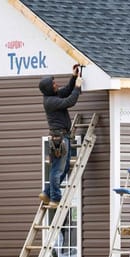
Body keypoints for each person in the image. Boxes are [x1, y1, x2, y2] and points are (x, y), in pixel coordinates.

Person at [38, 65, 83, 208]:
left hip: (62, 137)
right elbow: (70, 101)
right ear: (49, 88)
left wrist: (74, 77)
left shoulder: (53, 96)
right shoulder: (50, 101)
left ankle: (47, 193)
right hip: (59, 138)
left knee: (62, 169)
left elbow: (66, 91)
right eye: (53, 84)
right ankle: (55, 198)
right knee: (57, 169)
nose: (56, 84)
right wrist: (77, 87)